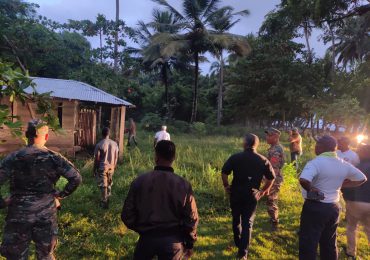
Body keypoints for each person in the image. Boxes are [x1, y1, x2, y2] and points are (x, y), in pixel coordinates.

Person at [0, 119, 82, 260]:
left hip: (19, 214)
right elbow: (76, 178)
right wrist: (60, 195)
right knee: (46, 255)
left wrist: (2, 203)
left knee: (15, 256)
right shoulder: (54, 158)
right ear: (46, 136)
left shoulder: (13, 158)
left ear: (27, 135)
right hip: (46, 214)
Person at [121, 140, 198, 260]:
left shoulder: (140, 181)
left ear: (156, 157)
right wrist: (189, 242)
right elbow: (191, 218)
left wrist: (142, 229)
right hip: (173, 242)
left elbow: (127, 214)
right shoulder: (183, 185)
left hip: (146, 240)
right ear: (174, 157)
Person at [299, 135, 367, 260]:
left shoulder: (315, 162)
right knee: (329, 241)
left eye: (316, 145)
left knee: (309, 241)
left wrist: (311, 190)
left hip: (315, 206)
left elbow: (303, 179)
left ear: (320, 147)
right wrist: (343, 185)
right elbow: (362, 178)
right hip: (333, 207)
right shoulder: (343, 163)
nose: (315, 148)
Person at [221, 133, 275, 259]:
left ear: (244, 143)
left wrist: (226, 186)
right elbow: (271, 178)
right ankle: (243, 253)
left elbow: (224, 172)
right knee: (248, 223)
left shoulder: (235, 157)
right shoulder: (263, 160)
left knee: (236, 219)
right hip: (252, 195)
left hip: (236, 193)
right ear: (256, 144)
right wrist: (263, 191)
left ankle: (238, 242)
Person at [342, 144, 370, 259]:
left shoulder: (357, 168)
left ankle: (351, 253)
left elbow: (347, 184)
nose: (358, 153)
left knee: (351, 228)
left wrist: (345, 196)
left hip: (356, 202)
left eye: (359, 151)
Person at [265, 127, 285, 231]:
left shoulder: (276, 150)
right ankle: (273, 218)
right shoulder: (273, 148)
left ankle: (274, 221)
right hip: (272, 177)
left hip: (274, 179)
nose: (267, 137)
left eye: (269, 135)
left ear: (276, 137)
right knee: (270, 199)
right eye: (267, 135)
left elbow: (273, 167)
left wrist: (268, 180)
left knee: (271, 200)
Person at [94, 127, 119, 209]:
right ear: (109, 134)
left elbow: (97, 159)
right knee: (109, 182)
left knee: (104, 184)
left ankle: (104, 202)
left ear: (102, 134)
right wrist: (114, 165)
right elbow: (116, 157)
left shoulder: (99, 144)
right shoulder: (115, 143)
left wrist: (95, 168)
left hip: (103, 166)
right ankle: (108, 197)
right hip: (112, 166)